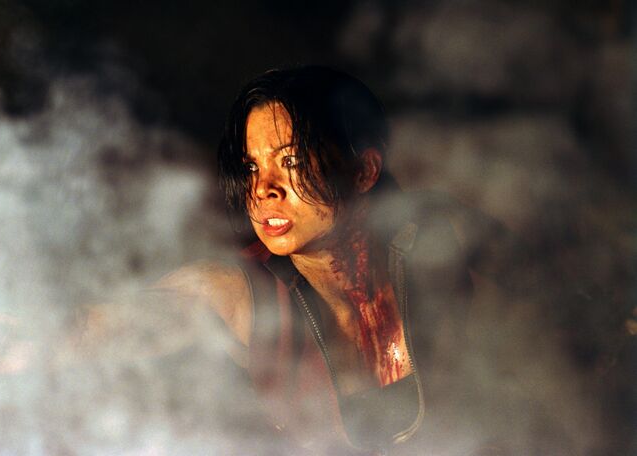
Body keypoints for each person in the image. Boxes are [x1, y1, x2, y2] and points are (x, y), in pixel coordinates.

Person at [151, 66, 491, 455]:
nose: (262, 189)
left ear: (364, 171)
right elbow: (108, 326)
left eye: (291, 161)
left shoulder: (442, 240)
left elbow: (543, 328)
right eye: (251, 167)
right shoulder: (237, 288)